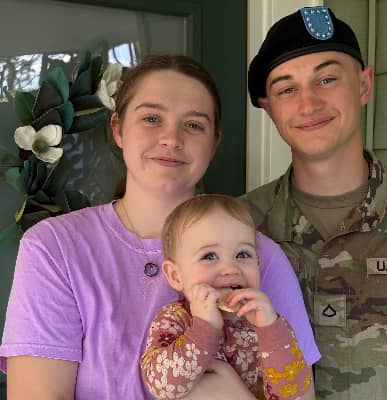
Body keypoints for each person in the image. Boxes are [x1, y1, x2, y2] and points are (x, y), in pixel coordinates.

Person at [0, 55, 319, 399]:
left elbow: (296, 389)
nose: (171, 138)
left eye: (193, 125)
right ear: (118, 129)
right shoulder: (55, 247)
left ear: (214, 143)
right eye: (152, 118)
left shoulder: (257, 257)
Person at [242, 5, 387, 400]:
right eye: (286, 89)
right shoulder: (236, 229)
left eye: (327, 79)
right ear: (269, 108)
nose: (308, 103)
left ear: (364, 85)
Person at [141, 194, 314, 400]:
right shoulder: (174, 319)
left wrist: (271, 330)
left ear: (258, 265)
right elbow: (162, 385)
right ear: (176, 276)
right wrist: (203, 330)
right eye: (209, 256)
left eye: (243, 254)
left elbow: (293, 394)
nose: (231, 269)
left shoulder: (269, 324)